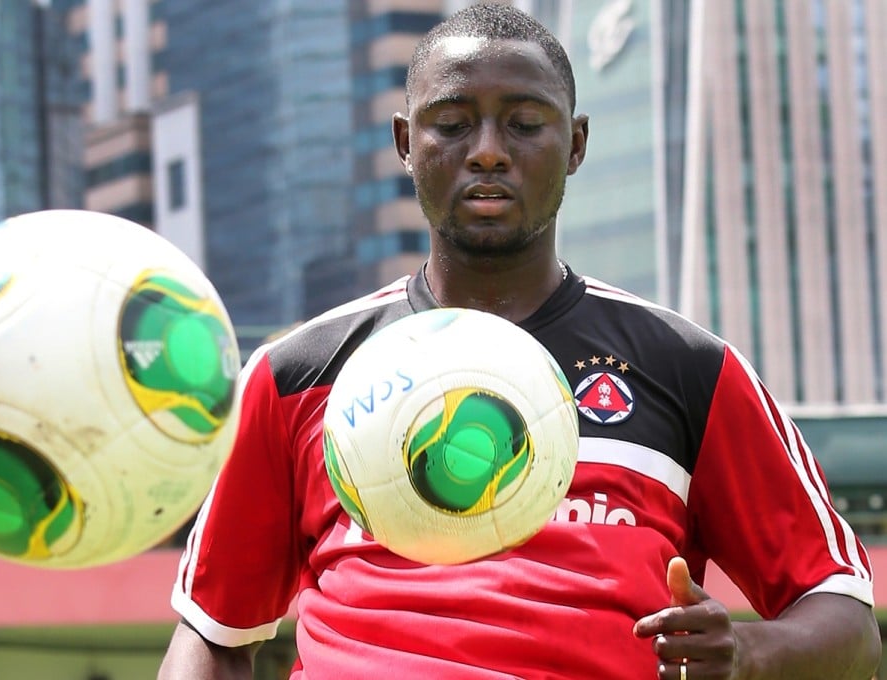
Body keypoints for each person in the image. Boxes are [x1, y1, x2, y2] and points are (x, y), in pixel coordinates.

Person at [158, 4, 879, 679]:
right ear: (406, 144)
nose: (489, 153)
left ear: (576, 144)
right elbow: (212, 636)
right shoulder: (296, 376)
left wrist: (746, 650)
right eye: (453, 123)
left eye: (526, 123)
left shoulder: (686, 367)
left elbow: (848, 624)